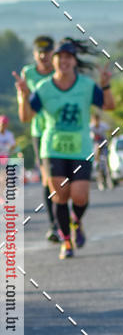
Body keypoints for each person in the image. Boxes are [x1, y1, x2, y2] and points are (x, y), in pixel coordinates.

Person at [14, 40, 115, 259]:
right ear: (55, 61)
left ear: (74, 62)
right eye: (60, 57)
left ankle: (76, 221)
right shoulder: (44, 88)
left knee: (79, 196)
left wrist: (105, 85)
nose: (64, 61)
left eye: (68, 57)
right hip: (53, 148)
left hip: (80, 148)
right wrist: (23, 95)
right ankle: (66, 241)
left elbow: (108, 105)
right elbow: (26, 117)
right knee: (60, 195)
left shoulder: (86, 86)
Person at [19, 36, 58, 241]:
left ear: (53, 53)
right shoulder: (28, 74)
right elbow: (25, 116)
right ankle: (54, 225)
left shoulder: (61, 70)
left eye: (47, 52)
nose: (44, 56)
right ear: (34, 54)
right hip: (41, 133)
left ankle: (70, 217)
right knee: (48, 179)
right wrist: (24, 96)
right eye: (39, 52)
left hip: (64, 130)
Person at [90, 111, 112, 189]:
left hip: (104, 143)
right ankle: (97, 164)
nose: (97, 122)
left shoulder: (103, 126)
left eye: (98, 120)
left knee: (106, 159)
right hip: (96, 145)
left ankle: (108, 175)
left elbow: (110, 130)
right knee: (97, 148)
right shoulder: (91, 127)